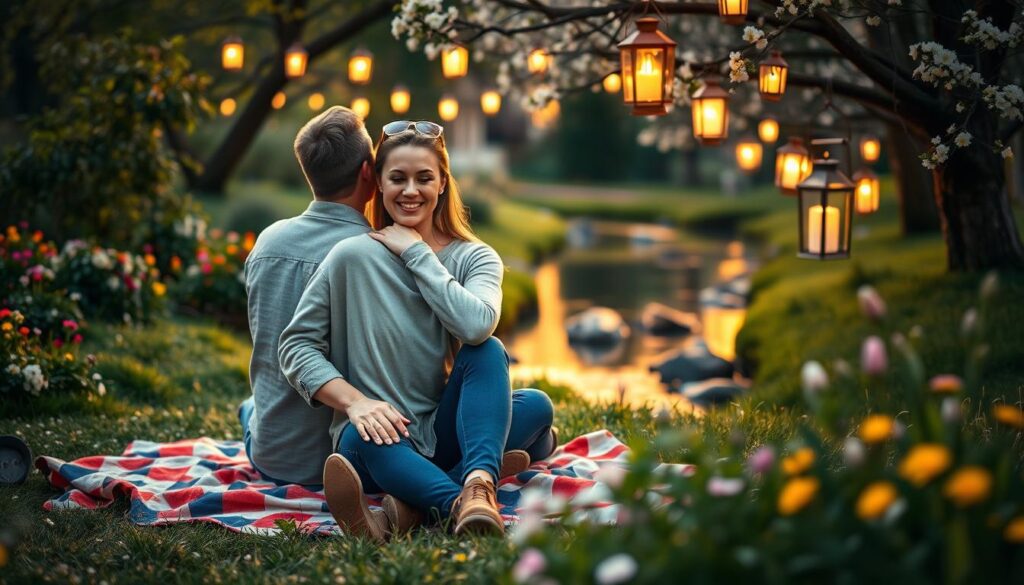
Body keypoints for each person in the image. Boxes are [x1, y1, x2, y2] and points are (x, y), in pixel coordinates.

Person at [279, 120, 556, 540]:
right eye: (398, 178)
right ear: (379, 186)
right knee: (367, 437)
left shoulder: (474, 257)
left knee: (520, 387)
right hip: (374, 439)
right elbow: (297, 346)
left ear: (443, 182)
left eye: (424, 178)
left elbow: (478, 326)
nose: (411, 190)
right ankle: (461, 502)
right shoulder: (351, 257)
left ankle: (434, 498)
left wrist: (418, 253)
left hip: (438, 429)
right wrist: (355, 403)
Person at [239, 106, 376, 487]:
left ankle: (250, 413)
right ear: (369, 170)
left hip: (273, 457)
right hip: (352, 463)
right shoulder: (377, 254)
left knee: (252, 407)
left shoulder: (268, 241)